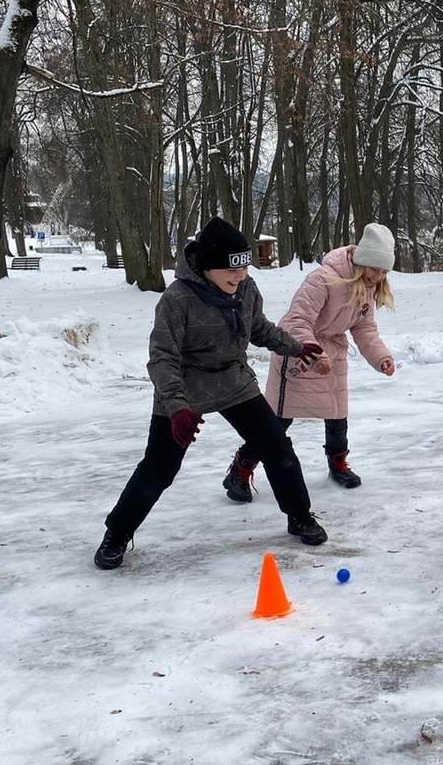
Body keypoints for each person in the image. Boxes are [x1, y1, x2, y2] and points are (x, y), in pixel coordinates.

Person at [95, 216, 328, 570]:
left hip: (233, 381)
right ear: (206, 268)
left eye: (246, 268)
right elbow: (162, 358)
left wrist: (296, 348)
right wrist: (176, 409)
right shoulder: (177, 300)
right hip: (184, 389)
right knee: (159, 468)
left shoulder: (246, 289)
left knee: (277, 446)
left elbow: (259, 329)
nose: (241, 277)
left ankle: (300, 516)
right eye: (232, 271)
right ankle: (117, 534)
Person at [222, 222, 397, 501]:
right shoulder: (322, 279)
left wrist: (381, 358)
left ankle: (338, 464)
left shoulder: (368, 289)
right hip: (298, 352)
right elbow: (296, 320)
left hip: (334, 354)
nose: (378, 276)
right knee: (278, 422)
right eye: (374, 268)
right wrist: (313, 353)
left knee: (337, 413)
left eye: (384, 271)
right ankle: (241, 469)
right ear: (361, 260)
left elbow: (365, 330)